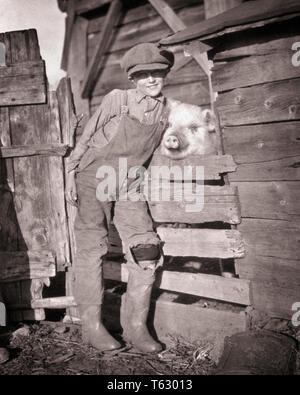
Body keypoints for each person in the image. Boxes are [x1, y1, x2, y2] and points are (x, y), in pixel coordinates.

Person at [65, 43, 174, 353]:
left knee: (147, 249)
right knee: (92, 249)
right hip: (93, 178)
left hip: (129, 183)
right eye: (144, 75)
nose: (151, 79)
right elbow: (86, 138)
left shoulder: (166, 111)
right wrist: (69, 174)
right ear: (132, 78)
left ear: (165, 74)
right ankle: (93, 326)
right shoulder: (118, 100)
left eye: (157, 73)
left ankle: (137, 328)